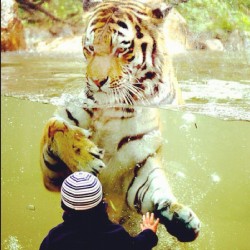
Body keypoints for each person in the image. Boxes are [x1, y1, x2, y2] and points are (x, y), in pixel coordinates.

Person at [40, 171, 159, 250]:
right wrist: (148, 233)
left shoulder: (54, 238)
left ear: (64, 205)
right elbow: (136, 247)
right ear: (102, 202)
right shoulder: (115, 235)